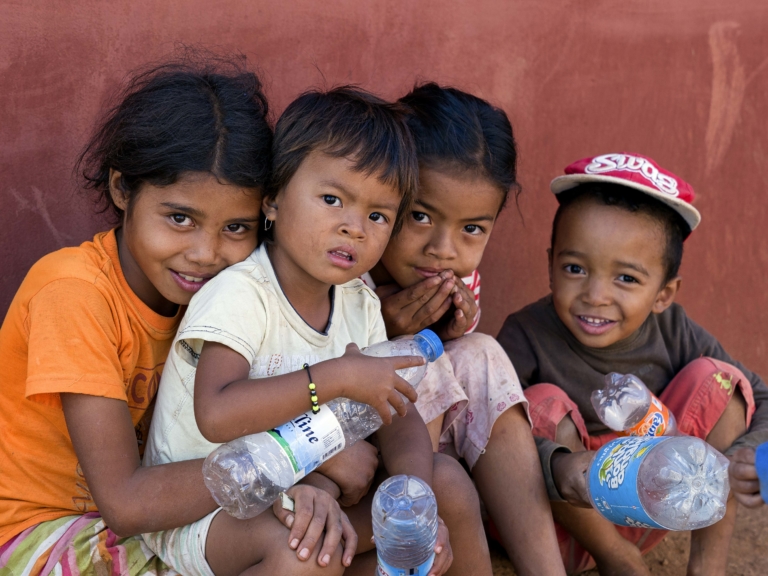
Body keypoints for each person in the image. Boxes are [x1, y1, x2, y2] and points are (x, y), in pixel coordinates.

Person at [0, 55, 353, 576]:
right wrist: (294, 460)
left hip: (171, 512)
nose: (205, 254)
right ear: (122, 189)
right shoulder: (74, 293)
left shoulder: (236, 296)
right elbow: (125, 503)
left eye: (236, 228)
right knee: (295, 550)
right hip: (44, 533)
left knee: (339, 541)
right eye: (180, 218)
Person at [143, 85, 493, 576]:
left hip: (302, 490)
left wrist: (413, 500)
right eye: (332, 199)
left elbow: (397, 414)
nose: (355, 227)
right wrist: (334, 378)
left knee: (446, 485)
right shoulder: (241, 293)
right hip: (210, 512)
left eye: (377, 215)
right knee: (307, 550)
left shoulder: (358, 302)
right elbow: (216, 415)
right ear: (272, 199)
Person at [497, 152, 768, 575]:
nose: (596, 295)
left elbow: (761, 397)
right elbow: (485, 438)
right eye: (575, 268)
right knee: (539, 405)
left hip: (654, 507)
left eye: (626, 278)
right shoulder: (525, 334)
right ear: (550, 266)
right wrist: (558, 463)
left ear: (664, 294)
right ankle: (617, 557)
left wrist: (740, 457)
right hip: (557, 527)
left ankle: (707, 567)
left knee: (720, 381)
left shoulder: (674, 330)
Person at [361, 83, 565, 576]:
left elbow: (459, 338)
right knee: (418, 354)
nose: (443, 249)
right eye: (420, 216)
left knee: (481, 351)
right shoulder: (350, 255)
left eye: (471, 229)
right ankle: (414, 525)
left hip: (426, 434)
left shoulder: (449, 273)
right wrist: (383, 323)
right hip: (350, 449)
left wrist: (455, 325)